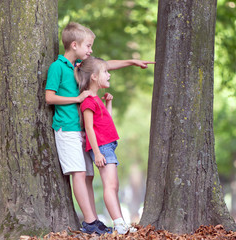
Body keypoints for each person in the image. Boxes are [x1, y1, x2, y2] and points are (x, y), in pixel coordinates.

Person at [45, 22, 154, 235]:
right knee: (77, 173)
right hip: (65, 129)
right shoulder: (57, 67)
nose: (91, 50)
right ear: (74, 44)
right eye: (88, 46)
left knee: (88, 175)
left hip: (82, 131)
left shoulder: (78, 67)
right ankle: (89, 221)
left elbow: (104, 66)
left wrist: (132, 61)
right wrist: (77, 97)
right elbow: (49, 97)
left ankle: (95, 221)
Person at [75, 56, 137, 235]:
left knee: (114, 185)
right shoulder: (88, 101)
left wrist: (108, 103)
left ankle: (121, 223)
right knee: (110, 186)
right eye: (105, 72)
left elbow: (105, 121)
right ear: (94, 77)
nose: (109, 74)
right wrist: (97, 152)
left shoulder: (96, 99)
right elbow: (89, 128)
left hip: (107, 146)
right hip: (101, 148)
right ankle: (119, 224)